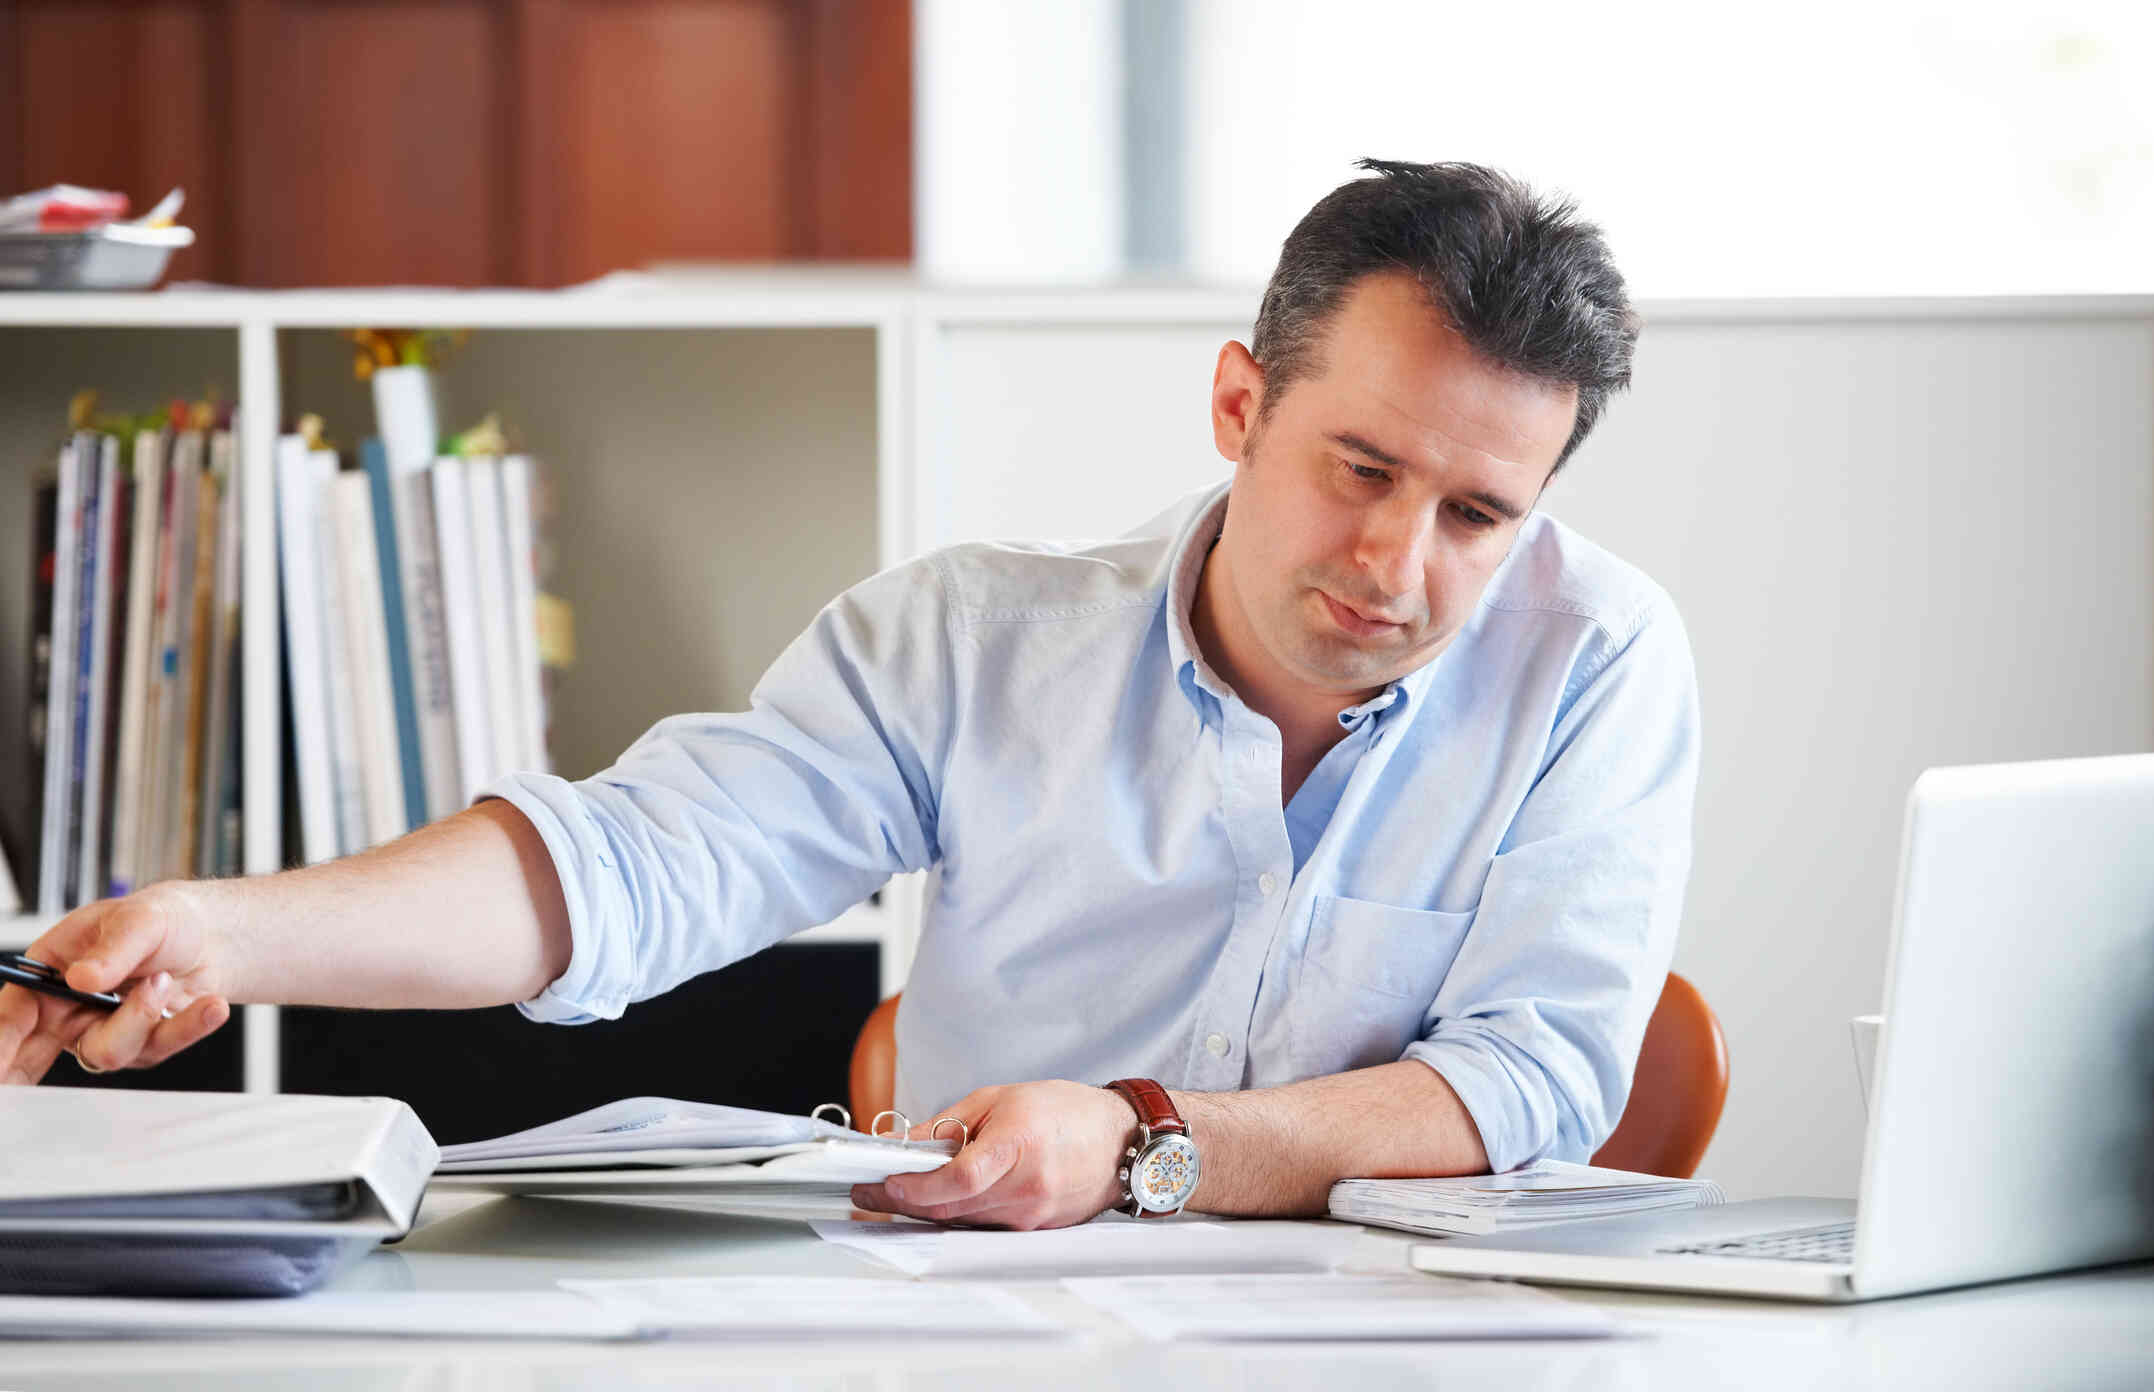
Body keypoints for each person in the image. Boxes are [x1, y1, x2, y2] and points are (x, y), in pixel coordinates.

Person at [0, 160, 1698, 1231]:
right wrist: (223, 931)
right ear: (1239, 405)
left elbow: (1532, 1080)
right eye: (1359, 468)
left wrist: (1140, 1143)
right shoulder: (970, 639)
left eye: (1476, 515)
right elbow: (636, 868)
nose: (1399, 565)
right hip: (990, 1337)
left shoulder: (1595, 659)